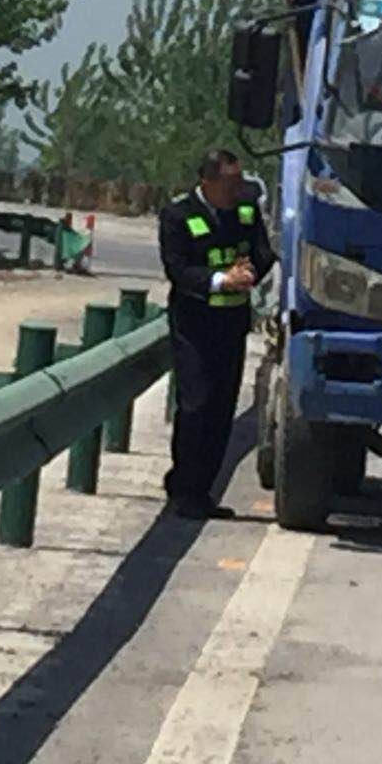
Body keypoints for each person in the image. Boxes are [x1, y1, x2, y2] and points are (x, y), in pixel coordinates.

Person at [158, 149, 276, 519]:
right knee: (196, 405)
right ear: (208, 181)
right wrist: (222, 280)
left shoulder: (244, 211)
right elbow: (178, 269)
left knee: (222, 408)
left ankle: (202, 491)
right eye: (230, 182)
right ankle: (183, 489)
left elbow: (263, 252)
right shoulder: (179, 214)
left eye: (240, 181)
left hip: (231, 324)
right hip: (194, 325)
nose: (238, 189)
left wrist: (249, 273)